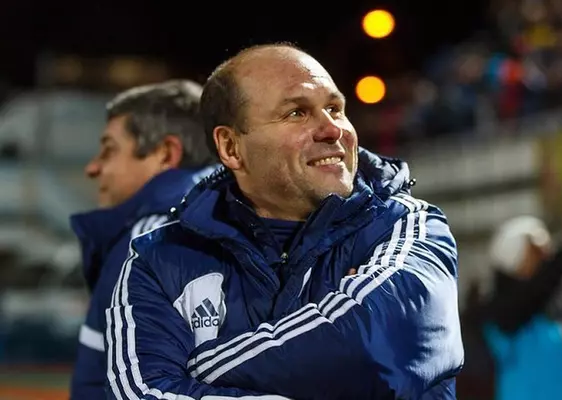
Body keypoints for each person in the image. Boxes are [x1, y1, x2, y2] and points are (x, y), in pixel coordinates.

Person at [105, 43, 464, 400]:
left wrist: (201, 372)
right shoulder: (159, 261)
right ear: (231, 147)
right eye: (297, 113)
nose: (332, 130)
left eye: (335, 109)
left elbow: (376, 349)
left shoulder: (407, 226)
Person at [69, 80, 219, 400]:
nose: (93, 168)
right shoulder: (245, 222)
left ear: (166, 154)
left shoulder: (146, 242)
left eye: (109, 150)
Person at [478, 212, 562, 400]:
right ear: (513, 258)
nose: (547, 258)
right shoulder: (503, 313)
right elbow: (533, 294)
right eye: (536, 251)